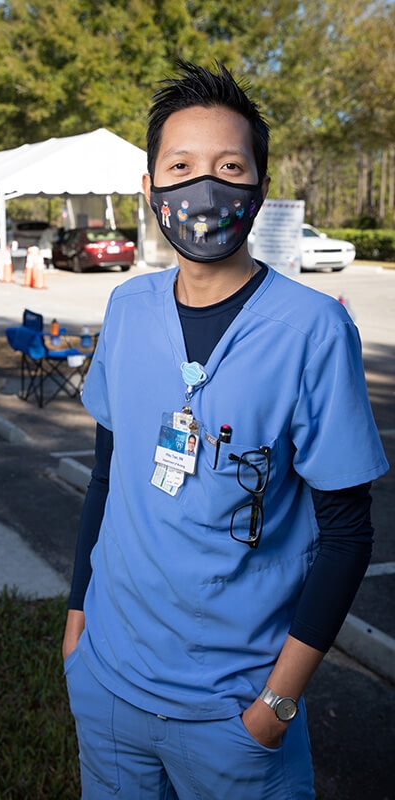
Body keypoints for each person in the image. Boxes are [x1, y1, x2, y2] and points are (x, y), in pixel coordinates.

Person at [62, 60, 389, 800]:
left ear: (260, 189)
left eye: (229, 167)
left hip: (233, 715)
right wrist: (77, 623)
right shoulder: (126, 310)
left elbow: (346, 533)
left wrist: (275, 706)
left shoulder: (313, 330)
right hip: (107, 684)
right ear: (149, 188)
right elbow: (106, 478)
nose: (203, 188)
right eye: (180, 166)